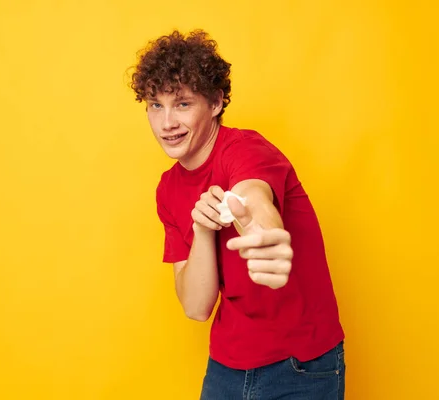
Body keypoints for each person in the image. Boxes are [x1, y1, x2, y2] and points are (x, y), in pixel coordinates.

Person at [129, 29, 346, 399]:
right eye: (155, 105)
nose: (166, 123)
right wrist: (202, 229)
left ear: (215, 102)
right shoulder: (168, 189)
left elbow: (253, 194)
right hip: (227, 367)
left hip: (300, 366)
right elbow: (197, 307)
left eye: (182, 104)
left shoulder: (247, 149)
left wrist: (263, 235)